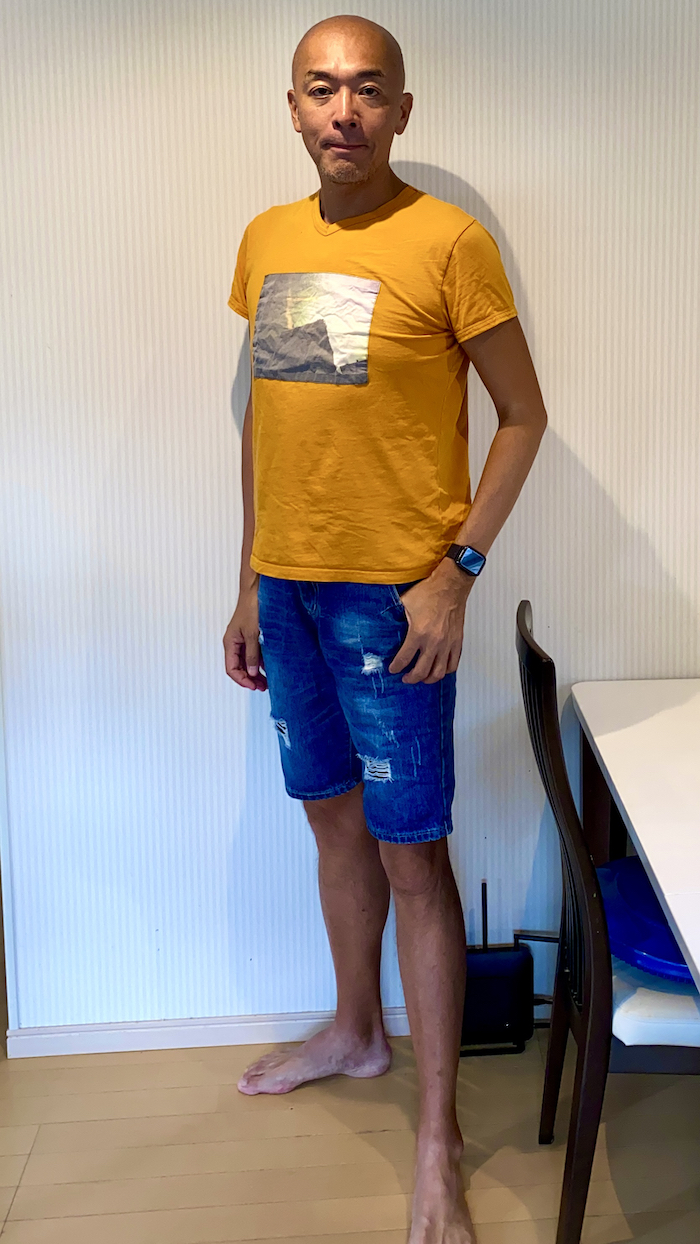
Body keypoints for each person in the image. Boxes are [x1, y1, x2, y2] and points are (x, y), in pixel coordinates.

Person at [223, 14, 547, 1243]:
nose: (343, 110)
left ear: (402, 110)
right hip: (289, 590)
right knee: (330, 817)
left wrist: (456, 571)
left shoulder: (450, 242)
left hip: (395, 598)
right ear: (293, 107)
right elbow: (270, 419)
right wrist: (248, 578)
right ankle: (357, 1031)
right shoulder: (267, 239)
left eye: (368, 89)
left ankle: (435, 1139)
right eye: (321, 89)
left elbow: (522, 415)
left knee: (414, 850)